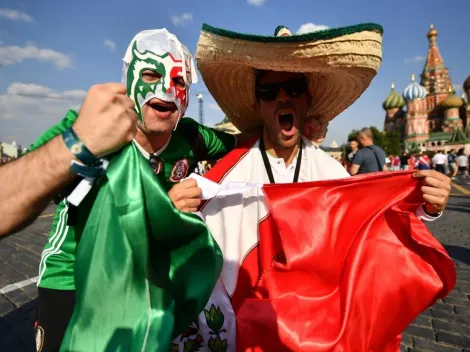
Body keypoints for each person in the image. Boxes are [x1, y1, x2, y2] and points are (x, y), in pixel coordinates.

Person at [169, 23, 452, 351]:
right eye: (269, 92)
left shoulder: (333, 175)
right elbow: (191, 257)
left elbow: (375, 234)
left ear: (307, 100)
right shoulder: (225, 177)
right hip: (250, 337)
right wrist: (174, 216)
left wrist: (424, 205)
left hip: (318, 336)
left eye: (292, 87)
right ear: (259, 106)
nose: (282, 97)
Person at [33, 29, 244, 352]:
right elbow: (27, 181)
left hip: (142, 279)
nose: (165, 89)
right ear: (129, 80)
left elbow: (248, 141)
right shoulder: (90, 127)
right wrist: (163, 209)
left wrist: (307, 123)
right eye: (150, 74)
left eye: (179, 82)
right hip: (74, 278)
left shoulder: (191, 138)